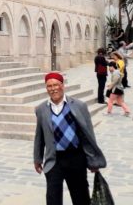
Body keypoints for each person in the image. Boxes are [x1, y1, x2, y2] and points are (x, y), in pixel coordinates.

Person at [33, 72, 106, 205]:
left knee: (80, 197)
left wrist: (93, 160)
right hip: (54, 159)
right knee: (52, 198)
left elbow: (88, 135)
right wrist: (37, 158)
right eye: (49, 86)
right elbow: (39, 136)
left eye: (56, 84)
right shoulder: (41, 109)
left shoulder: (79, 106)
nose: (53, 88)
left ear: (62, 85)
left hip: (76, 157)